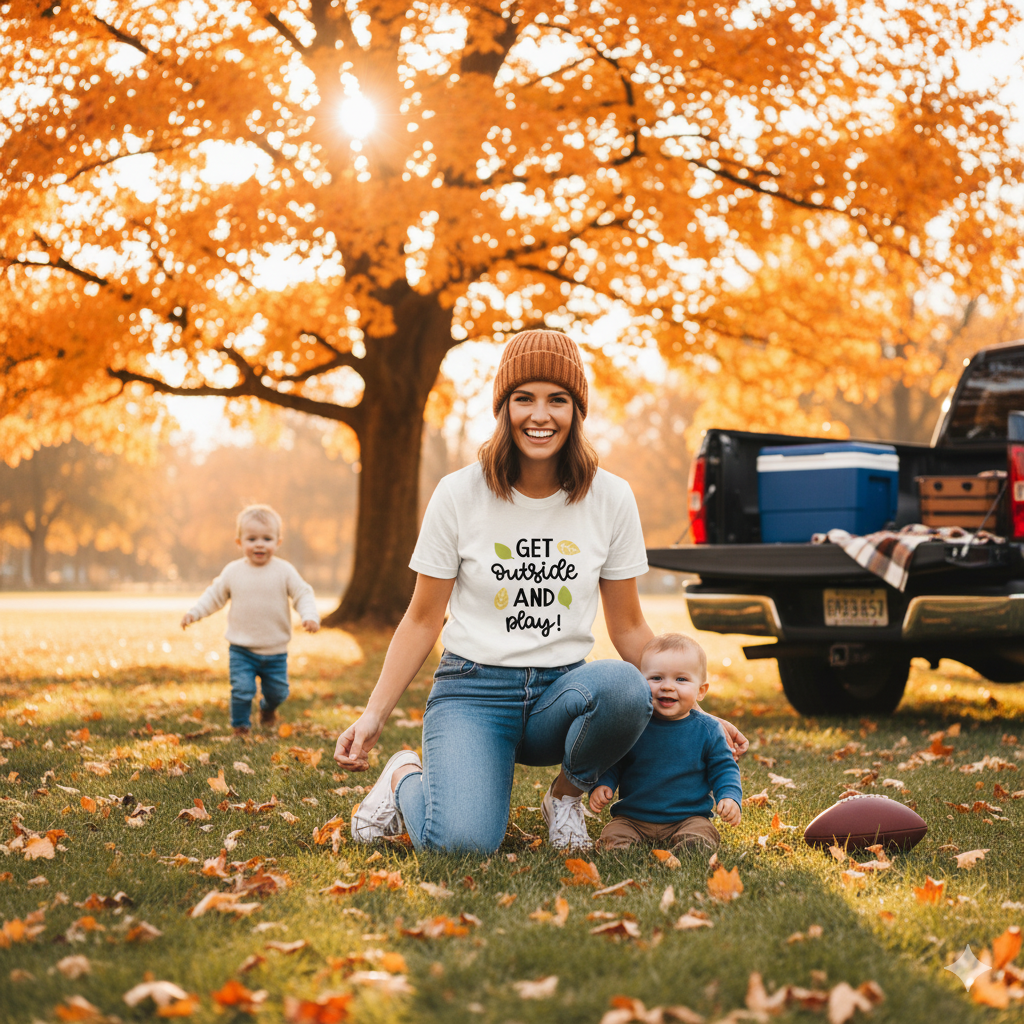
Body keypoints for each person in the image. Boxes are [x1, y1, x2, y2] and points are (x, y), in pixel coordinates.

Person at [333, 329, 748, 853]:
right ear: (503, 407)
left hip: (562, 692)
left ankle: (565, 796)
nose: (540, 415)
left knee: (626, 687)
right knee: (460, 845)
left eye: (558, 400)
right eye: (523, 398)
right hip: (474, 690)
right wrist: (374, 715)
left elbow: (628, 626)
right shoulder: (459, 494)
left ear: (577, 410)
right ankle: (402, 776)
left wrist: (695, 707)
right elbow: (422, 618)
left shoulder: (610, 497)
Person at [589, 632, 741, 853]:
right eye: (656, 678)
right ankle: (619, 847)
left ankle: (691, 846)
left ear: (701, 691)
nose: (668, 686)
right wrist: (604, 784)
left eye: (681, 679)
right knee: (615, 832)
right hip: (633, 817)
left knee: (701, 831)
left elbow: (724, 767)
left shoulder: (708, 730)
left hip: (688, 817)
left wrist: (729, 796)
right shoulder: (634, 723)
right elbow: (615, 760)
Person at [181, 504, 319, 735]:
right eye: (252, 539)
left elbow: (302, 593)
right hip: (241, 650)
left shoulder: (284, 571)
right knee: (242, 690)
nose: (259, 544)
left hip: (275, 651)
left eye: (267, 538)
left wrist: (309, 615)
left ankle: (267, 708)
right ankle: (241, 727)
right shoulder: (233, 572)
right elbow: (213, 596)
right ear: (239, 542)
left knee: (279, 692)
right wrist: (194, 613)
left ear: (278, 541)